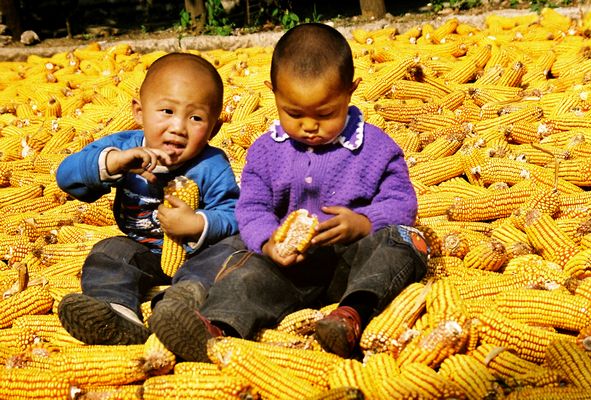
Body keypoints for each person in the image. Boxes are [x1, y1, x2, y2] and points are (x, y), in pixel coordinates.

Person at [149, 23, 428, 362]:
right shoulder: (267, 151)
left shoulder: (376, 149)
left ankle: (352, 315)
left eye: (325, 114)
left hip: (355, 259)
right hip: (290, 266)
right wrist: (269, 242)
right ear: (273, 93)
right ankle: (216, 330)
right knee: (246, 269)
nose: (309, 126)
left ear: (350, 91)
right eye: (293, 114)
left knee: (403, 242)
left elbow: (402, 202)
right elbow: (252, 207)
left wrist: (364, 223)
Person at [55, 52, 240, 346]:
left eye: (195, 118)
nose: (178, 127)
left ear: (214, 129)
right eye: (167, 111)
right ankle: (117, 313)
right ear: (140, 113)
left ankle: (178, 308)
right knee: (108, 252)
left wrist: (197, 224)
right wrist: (114, 163)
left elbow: (234, 214)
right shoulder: (123, 148)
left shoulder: (212, 165)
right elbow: (66, 177)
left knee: (231, 254)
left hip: (196, 256)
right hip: (142, 251)